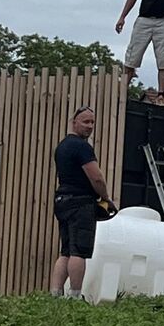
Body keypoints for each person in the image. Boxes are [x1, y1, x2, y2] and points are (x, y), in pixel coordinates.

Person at [50, 106, 112, 297]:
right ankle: (75, 297)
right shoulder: (82, 147)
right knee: (79, 251)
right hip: (80, 203)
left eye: (92, 122)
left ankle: (55, 295)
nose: (90, 126)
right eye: (86, 122)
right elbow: (97, 178)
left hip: (62, 200)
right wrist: (105, 198)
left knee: (65, 251)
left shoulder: (62, 146)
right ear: (73, 122)